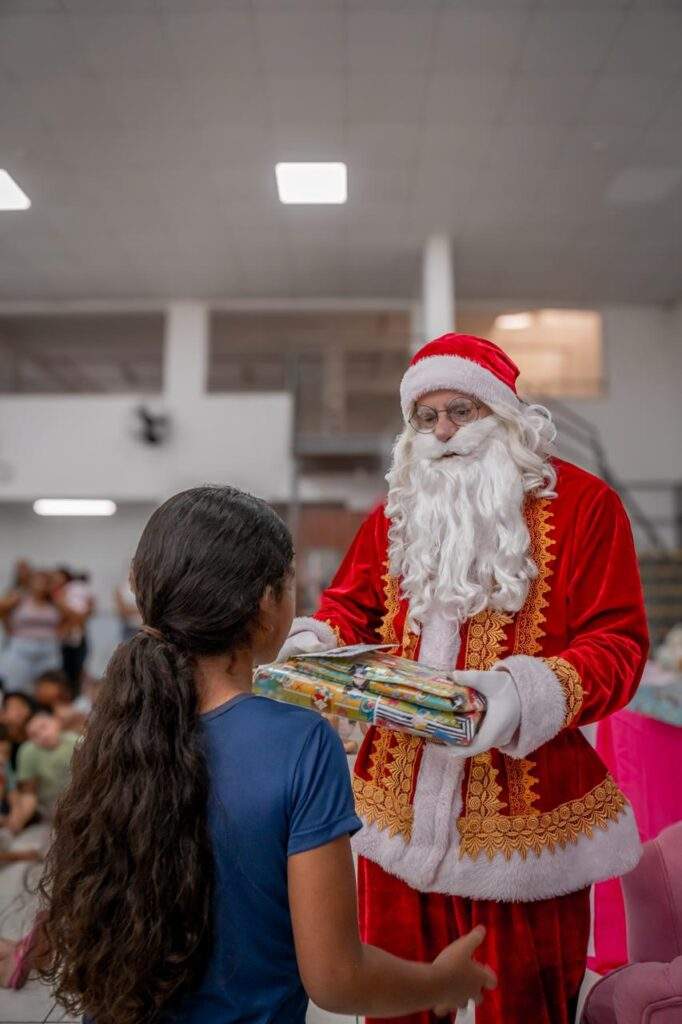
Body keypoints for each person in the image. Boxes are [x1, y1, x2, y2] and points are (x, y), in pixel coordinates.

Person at [280, 333, 649, 1024]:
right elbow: (348, 608)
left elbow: (619, 645)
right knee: (394, 1005)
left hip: (527, 828)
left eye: (462, 411)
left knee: (525, 1006)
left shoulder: (586, 506)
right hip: (394, 812)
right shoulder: (396, 512)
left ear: (504, 413)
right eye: (427, 417)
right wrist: (315, 643)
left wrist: (517, 696)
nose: (444, 431)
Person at [37, 485, 496, 1024]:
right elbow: (336, 978)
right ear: (265, 604)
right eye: (291, 583)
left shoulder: (118, 723)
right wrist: (441, 981)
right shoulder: (301, 743)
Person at [0, 570, 71, 694]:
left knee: (48, 687)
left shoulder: (55, 603)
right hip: (22, 647)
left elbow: (73, 616)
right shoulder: (20, 598)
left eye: (45, 582)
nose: (41, 585)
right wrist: (8, 627)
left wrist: (61, 631)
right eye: (38, 581)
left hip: (48, 648)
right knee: (15, 686)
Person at [8, 711, 78, 835]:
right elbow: (29, 793)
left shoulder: (75, 741)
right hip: (50, 810)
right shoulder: (28, 752)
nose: (42, 735)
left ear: (56, 722)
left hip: (79, 801)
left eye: (44, 727)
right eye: (34, 735)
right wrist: (19, 819)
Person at [52, 568, 95, 694]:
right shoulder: (56, 595)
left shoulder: (74, 591)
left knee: (77, 668)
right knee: (63, 670)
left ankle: (75, 694)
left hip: (78, 636)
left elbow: (88, 610)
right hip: (61, 638)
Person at [0, 690, 37, 770]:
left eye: (23, 706)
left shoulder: (38, 737)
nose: (20, 711)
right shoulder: (3, 742)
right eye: (13, 707)